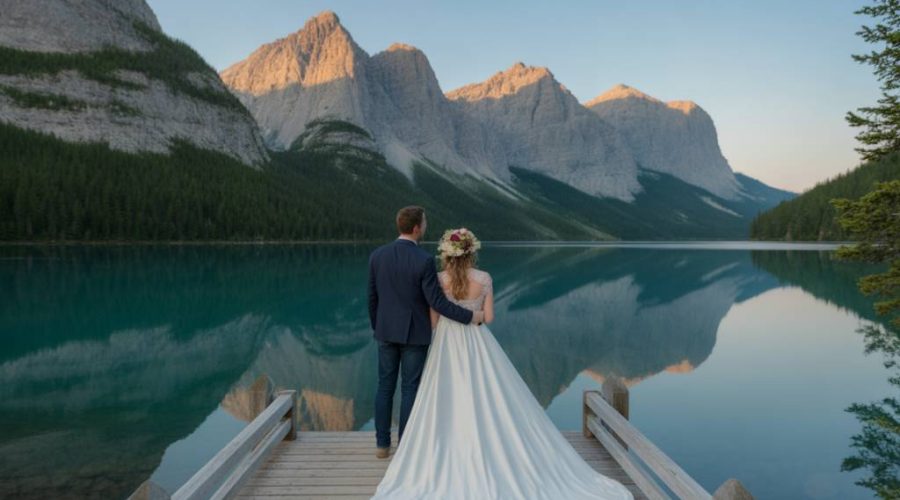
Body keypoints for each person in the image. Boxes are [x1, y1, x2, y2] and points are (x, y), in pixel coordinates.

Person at [370, 227, 634, 500]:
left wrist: (435, 331)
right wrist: (474, 314)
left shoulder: (438, 279)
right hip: (477, 341)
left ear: (446, 255)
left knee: (442, 392)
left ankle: (418, 442)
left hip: (447, 342)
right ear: (472, 252)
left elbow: (434, 319)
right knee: (485, 389)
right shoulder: (484, 278)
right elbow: (489, 317)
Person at [368, 206, 485, 459]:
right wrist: (470, 316)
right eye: (425, 222)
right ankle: (406, 446)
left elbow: (372, 298)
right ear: (416, 228)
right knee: (410, 388)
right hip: (414, 333)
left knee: (384, 386)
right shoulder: (423, 260)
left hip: (385, 331)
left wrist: (378, 326)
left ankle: (381, 444)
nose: (426, 226)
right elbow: (437, 303)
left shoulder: (377, 256)